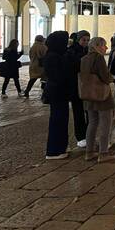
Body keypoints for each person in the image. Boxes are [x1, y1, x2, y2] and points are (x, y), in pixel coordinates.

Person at [80, 37, 115, 163]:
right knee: (106, 124)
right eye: (103, 45)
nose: (106, 48)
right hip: (101, 95)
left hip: (89, 95)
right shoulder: (98, 58)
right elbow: (105, 77)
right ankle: (103, 152)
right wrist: (112, 78)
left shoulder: (84, 59)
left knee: (92, 123)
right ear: (96, 46)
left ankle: (89, 152)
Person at [43, 31, 71, 160]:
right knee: (57, 120)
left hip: (59, 92)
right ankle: (54, 150)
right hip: (58, 92)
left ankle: (61, 147)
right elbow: (59, 76)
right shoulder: (54, 57)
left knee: (61, 119)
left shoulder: (54, 54)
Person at [65, 30, 90, 148]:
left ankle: (89, 134)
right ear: (78, 40)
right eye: (83, 40)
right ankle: (81, 136)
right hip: (76, 87)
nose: (85, 42)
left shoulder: (89, 51)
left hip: (88, 86)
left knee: (90, 111)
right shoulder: (71, 52)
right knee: (78, 112)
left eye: (87, 40)